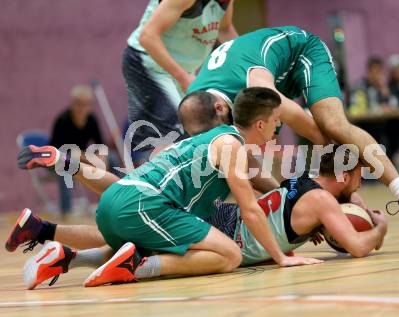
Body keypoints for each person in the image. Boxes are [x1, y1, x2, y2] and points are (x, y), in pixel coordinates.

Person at [11, 87, 322, 290]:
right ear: (258, 123)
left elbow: (123, 188)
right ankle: (136, 267)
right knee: (229, 255)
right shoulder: (232, 146)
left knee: (148, 237)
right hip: (142, 206)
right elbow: (251, 208)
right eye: (276, 122)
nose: (279, 128)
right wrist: (282, 257)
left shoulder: (192, 143)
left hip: (121, 201)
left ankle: (63, 256)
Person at [179, 26, 399, 248]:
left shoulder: (256, 86)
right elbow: (247, 167)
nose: (222, 138)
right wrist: (292, 199)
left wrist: (343, 191)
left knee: (331, 125)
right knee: (245, 153)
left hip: (300, 53)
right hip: (266, 71)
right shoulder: (195, 104)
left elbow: (318, 135)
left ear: (221, 108)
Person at [123, 0, 237, 157]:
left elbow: (224, 29)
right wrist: (182, 77)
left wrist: (246, 59)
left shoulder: (224, 2)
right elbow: (147, 36)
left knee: (200, 130)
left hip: (181, 71)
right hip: (149, 64)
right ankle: (151, 179)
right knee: (175, 135)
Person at [50, 85, 105, 215]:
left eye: (86, 104)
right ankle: (66, 212)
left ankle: (117, 199)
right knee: (66, 164)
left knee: (112, 157)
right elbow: (63, 151)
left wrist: (102, 159)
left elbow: (101, 145)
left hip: (82, 157)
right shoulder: (62, 120)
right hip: (58, 158)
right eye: (79, 104)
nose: (82, 108)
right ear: (72, 104)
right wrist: (90, 159)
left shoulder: (92, 119)